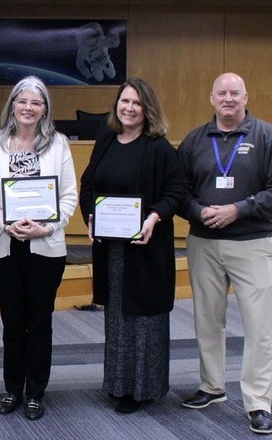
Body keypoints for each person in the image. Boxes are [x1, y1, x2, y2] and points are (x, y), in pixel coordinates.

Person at [178, 73, 272, 435]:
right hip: (203, 243)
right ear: (211, 98)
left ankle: (258, 402)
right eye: (222, 93)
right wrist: (198, 212)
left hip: (252, 242)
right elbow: (178, 190)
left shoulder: (268, 137)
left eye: (235, 93)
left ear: (246, 97)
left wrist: (238, 209)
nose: (228, 99)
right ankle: (212, 386)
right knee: (207, 319)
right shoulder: (195, 140)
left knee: (257, 326)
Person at [78, 78, 188, 414]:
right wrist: (91, 217)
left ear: (148, 109)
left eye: (137, 103)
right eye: (124, 101)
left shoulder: (159, 148)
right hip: (112, 249)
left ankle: (142, 389)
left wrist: (154, 217)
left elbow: (176, 192)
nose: (129, 108)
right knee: (117, 317)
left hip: (145, 249)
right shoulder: (107, 141)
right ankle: (117, 384)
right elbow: (88, 185)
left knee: (143, 317)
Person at [0, 75, 77, 421]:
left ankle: (36, 392)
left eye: (35, 102)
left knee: (39, 321)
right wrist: (7, 223)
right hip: (4, 245)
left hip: (45, 248)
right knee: (11, 321)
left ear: (45, 108)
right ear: (12, 105)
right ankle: (12, 389)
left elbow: (69, 198)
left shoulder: (58, 144)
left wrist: (45, 226)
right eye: (22, 101)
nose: (28, 108)